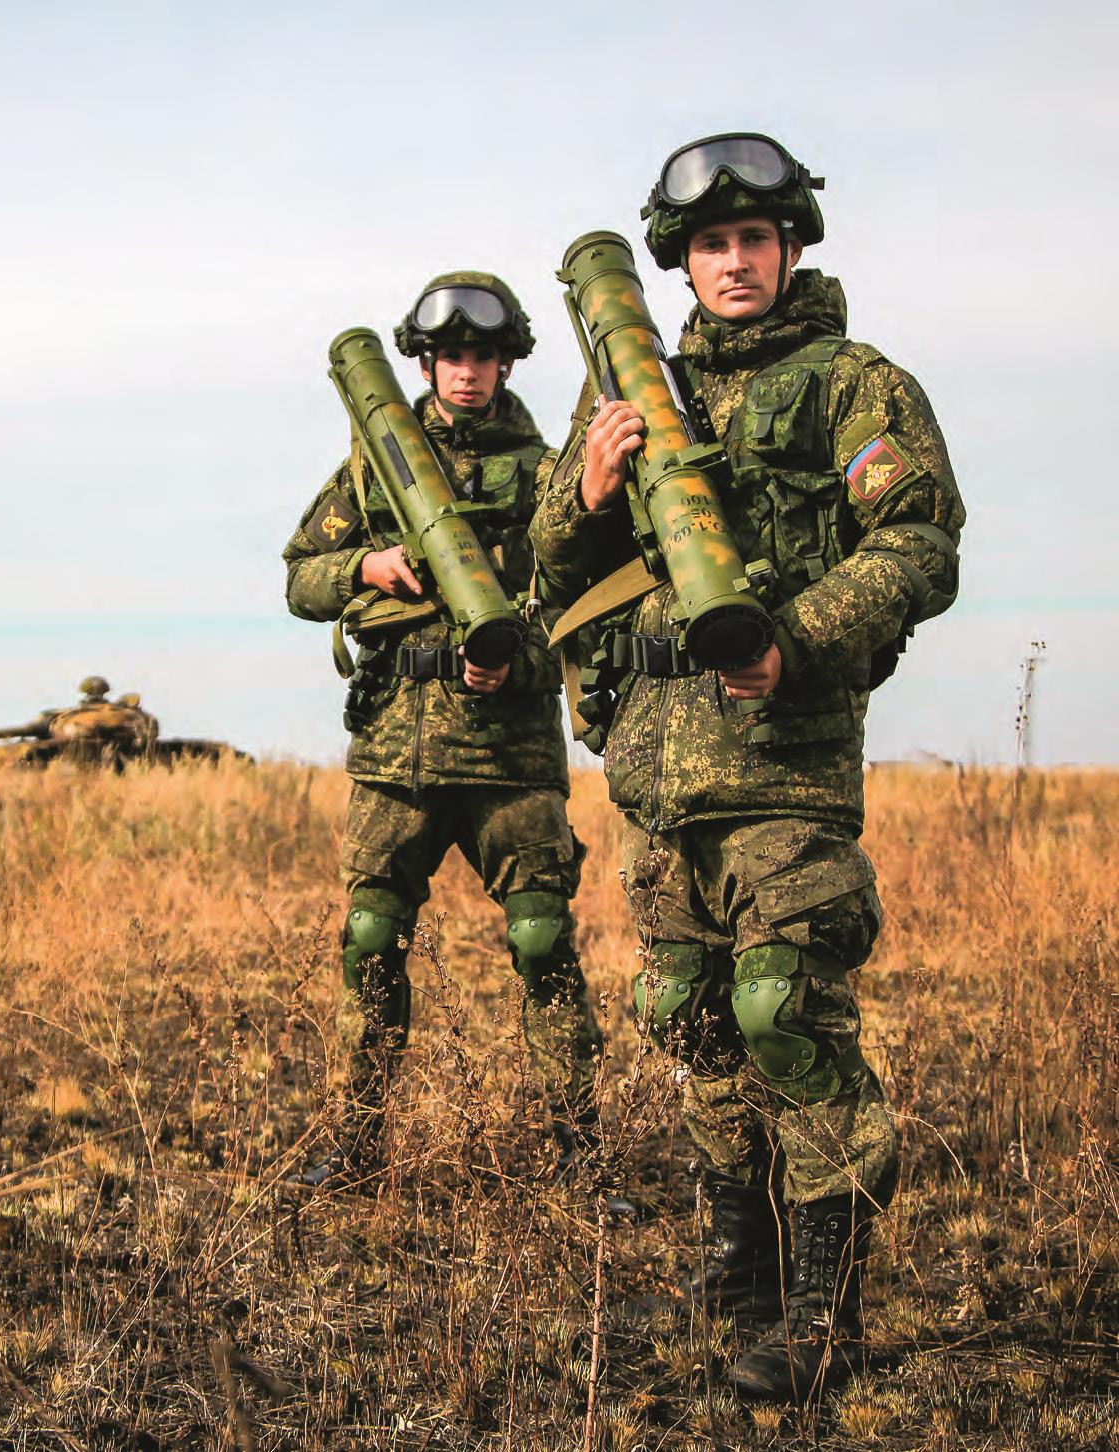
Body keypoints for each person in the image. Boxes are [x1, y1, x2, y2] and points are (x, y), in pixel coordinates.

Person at [530, 134, 964, 1400]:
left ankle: (823, 1317)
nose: (734, 262)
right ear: (681, 261)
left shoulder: (852, 385)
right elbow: (545, 571)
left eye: (754, 240)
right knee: (695, 1029)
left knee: (784, 1015)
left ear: (788, 249)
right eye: (712, 244)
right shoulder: (631, 391)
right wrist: (587, 488)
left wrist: (795, 639)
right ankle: (741, 1294)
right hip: (656, 779)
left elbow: (917, 543)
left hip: (783, 774)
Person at [283, 272, 603, 1190]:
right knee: (371, 941)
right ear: (424, 364)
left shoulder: (548, 475)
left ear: (508, 364)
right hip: (399, 753)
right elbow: (300, 578)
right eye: (452, 356)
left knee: (542, 943)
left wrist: (520, 662)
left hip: (512, 755)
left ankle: (579, 1156)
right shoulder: (375, 470)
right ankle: (355, 1149)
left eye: (484, 356)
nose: (467, 372)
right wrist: (366, 565)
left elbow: (587, 602)